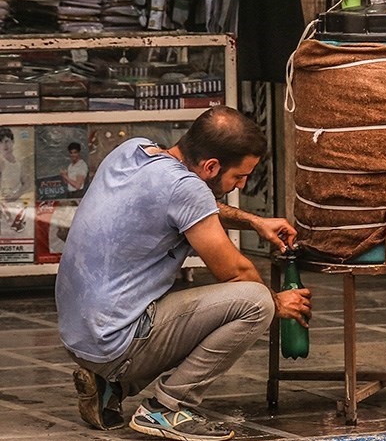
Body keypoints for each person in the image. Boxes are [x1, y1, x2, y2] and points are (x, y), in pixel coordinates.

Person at [55, 106, 313, 441]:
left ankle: (110, 385)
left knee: (246, 300)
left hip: (81, 336)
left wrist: (254, 221)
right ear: (210, 166)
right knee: (255, 302)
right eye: (239, 176)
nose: (243, 184)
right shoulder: (185, 188)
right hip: (113, 340)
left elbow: (192, 203)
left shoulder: (134, 151)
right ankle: (167, 407)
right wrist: (277, 303)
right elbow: (235, 272)